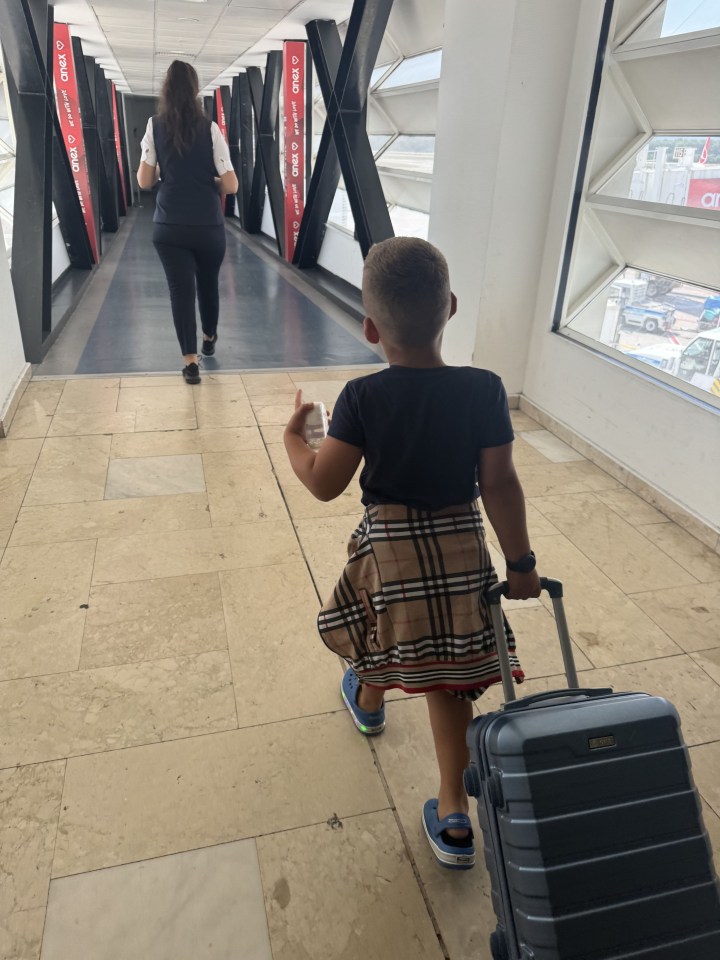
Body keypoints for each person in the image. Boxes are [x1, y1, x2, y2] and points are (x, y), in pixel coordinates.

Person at [284, 237, 541, 871]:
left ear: (370, 327)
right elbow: (500, 483)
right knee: (450, 674)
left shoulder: (362, 397)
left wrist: (295, 441)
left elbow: (323, 483)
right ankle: (455, 812)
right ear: (450, 308)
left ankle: (368, 705)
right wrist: (521, 563)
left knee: (384, 629)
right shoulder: (484, 389)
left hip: (391, 554)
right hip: (461, 549)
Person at [137, 61, 239, 384]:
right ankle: (209, 338)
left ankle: (191, 363)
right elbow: (232, 184)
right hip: (208, 226)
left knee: (181, 291)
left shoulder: (154, 125)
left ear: (166, 90)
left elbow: (144, 181)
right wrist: (212, 182)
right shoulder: (210, 128)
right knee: (208, 285)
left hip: (170, 227)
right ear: (196, 92)